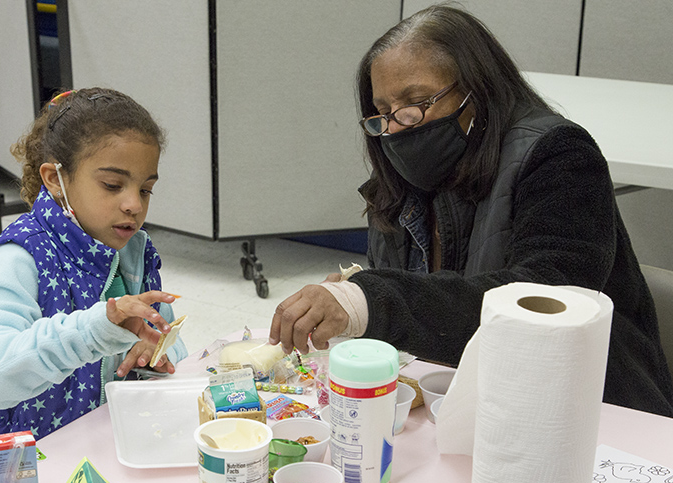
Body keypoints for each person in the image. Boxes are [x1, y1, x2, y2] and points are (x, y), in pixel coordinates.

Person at [269, 5, 673, 417]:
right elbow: (425, 307)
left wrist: (371, 299)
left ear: (476, 90)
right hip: (465, 400)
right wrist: (359, 289)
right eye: (383, 113)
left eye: (416, 102)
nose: (396, 128)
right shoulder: (402, 178)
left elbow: (545, 299)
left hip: (590, 407)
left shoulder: (560, 156)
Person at [0, 88, 188, 483]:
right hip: (20, 476)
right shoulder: (21, 256)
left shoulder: (132, 250)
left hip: (99, 449)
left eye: (146, 188)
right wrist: (93, 333)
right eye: (113, 185)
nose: (134, 204)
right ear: (56, 179)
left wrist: (155, 351)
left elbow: (169, 338)